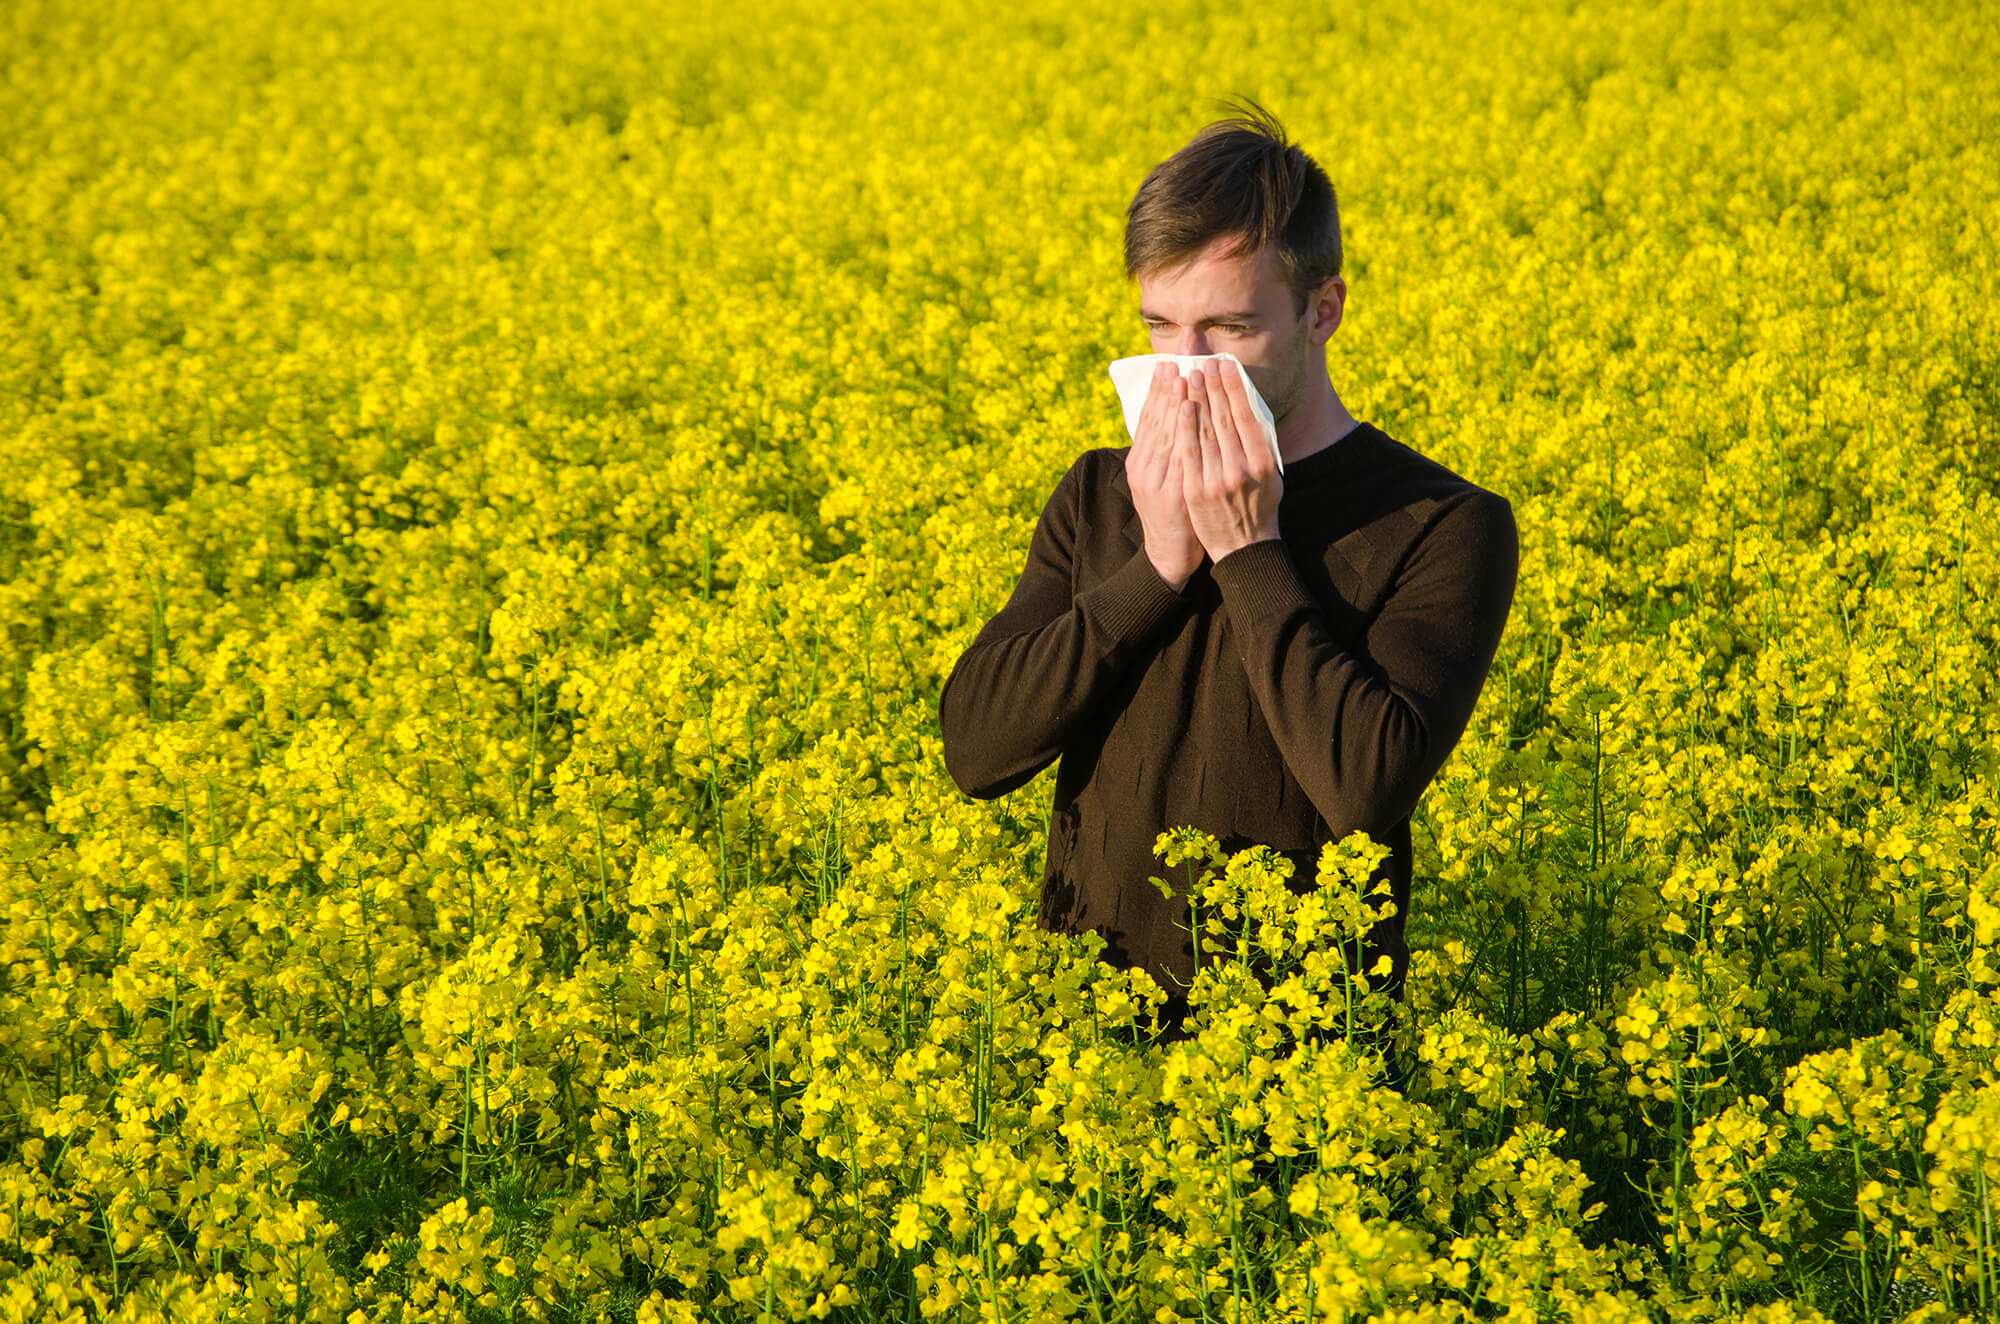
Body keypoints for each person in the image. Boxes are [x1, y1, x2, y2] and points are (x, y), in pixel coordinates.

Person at [936, 99, 1518, 1063]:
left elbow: (1370, 787)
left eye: (1228, 328)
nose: (1187, 369)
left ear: (1322, 311)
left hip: (1304, 1083)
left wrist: (1248, 550)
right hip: (1087, 1058)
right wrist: (1157, 565)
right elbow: (977, 749)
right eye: (1160, 327)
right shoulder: (1100, 492)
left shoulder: (1440, 524)